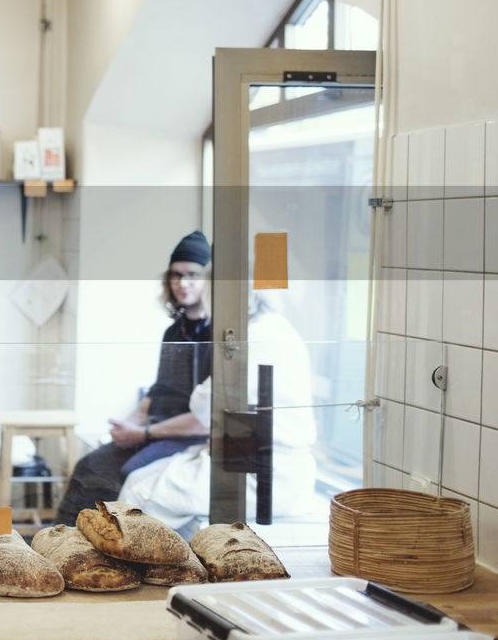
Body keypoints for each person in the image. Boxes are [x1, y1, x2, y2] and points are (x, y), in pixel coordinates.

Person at [118, 290, 319, 537]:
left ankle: (141, 567)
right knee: (140, 477)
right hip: (267, 462)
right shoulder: (278, 327)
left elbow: (203, 405)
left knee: (139, 491)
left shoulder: (252, 338)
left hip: (264, 474)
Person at [55, 230, 213, 524]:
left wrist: (142, 435)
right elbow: (160, 388)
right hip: (156, 429)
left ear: (208, 280)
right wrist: (132, 422)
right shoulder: (174, 331)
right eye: (176, 275)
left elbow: (204, 419)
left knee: (126, 475)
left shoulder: (216, 334)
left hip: (187, 436)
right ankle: (63, 545)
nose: (183, 283)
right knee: (89, 467)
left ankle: (109, 554)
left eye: (193, 275)